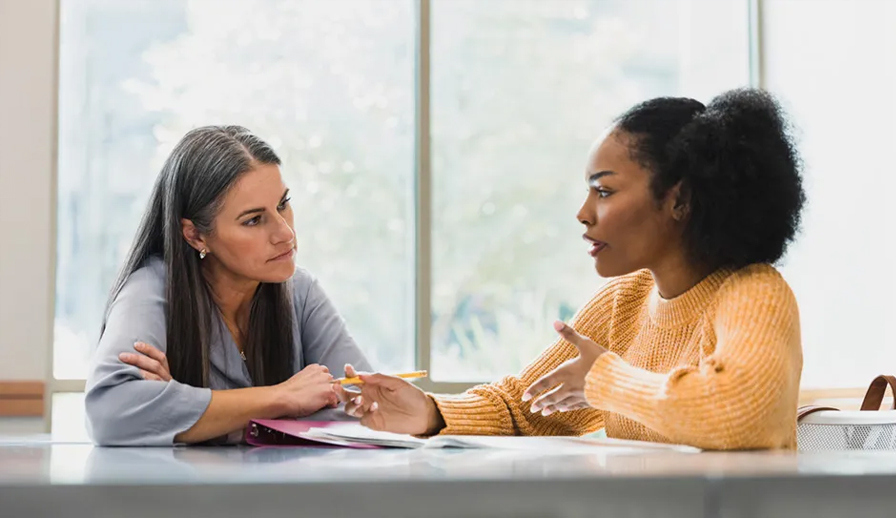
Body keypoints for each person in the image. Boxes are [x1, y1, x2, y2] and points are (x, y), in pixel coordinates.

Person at [343, 88, 806, 450]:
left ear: (679, 199)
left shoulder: (754, 292)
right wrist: (430, 412)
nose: (583, 213)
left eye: (604, 192)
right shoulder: (623, 302)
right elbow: (526, 408)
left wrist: (604, 380)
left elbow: (739, 414)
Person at [85, 125, 372, 446]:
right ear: (195, 235)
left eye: (282, 204)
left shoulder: (300, 291)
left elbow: (365, 408)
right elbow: (110, 413)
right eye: (253, 220)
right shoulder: (151, 289)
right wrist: (282, 398)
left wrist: (183, 408)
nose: (285, 233)